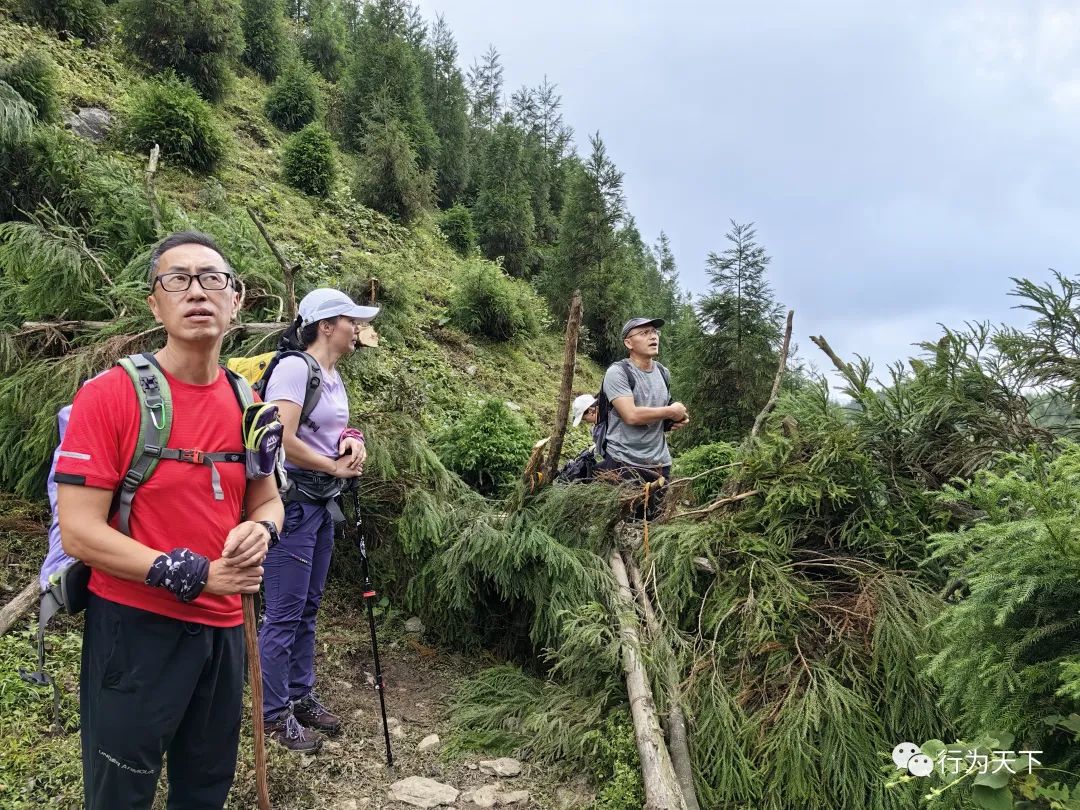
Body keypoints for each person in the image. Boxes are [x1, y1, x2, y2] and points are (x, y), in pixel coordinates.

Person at [55, 231, 284, 810]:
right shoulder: (110, 396)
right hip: (135, 631)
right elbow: (81, 531)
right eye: (176, 280)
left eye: (213, 279)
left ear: (236, 300)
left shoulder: (247, 400)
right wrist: (192, 575)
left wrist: (263, 530)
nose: (196, 292)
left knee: (205, 789)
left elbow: (267, 499)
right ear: (155, 304)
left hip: (225, 633)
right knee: (119, 791)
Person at [258, 288, 379, 752]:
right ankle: (272, 714)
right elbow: (280, 437)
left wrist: (352, 439)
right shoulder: (294, 368)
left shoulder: (330, 373)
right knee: (284, 612)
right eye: (352, 321)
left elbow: (331, 426)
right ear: (326, 325)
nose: (359, 330)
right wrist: (332, 466)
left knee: (308, 606)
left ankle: (299, 694)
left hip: (322, 504)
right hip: (292, 505)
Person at [598, 317, 689, 511]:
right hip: (624, 462)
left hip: (660, 463)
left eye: (655, 332)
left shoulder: (663, 373)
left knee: (655, 521)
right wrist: (671, 411)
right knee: (625, 522)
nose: (653, 336)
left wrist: (673, 420)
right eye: (644, 333)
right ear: (628, 343)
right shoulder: (618, 372)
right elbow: (631, 415)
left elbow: (658, 411)